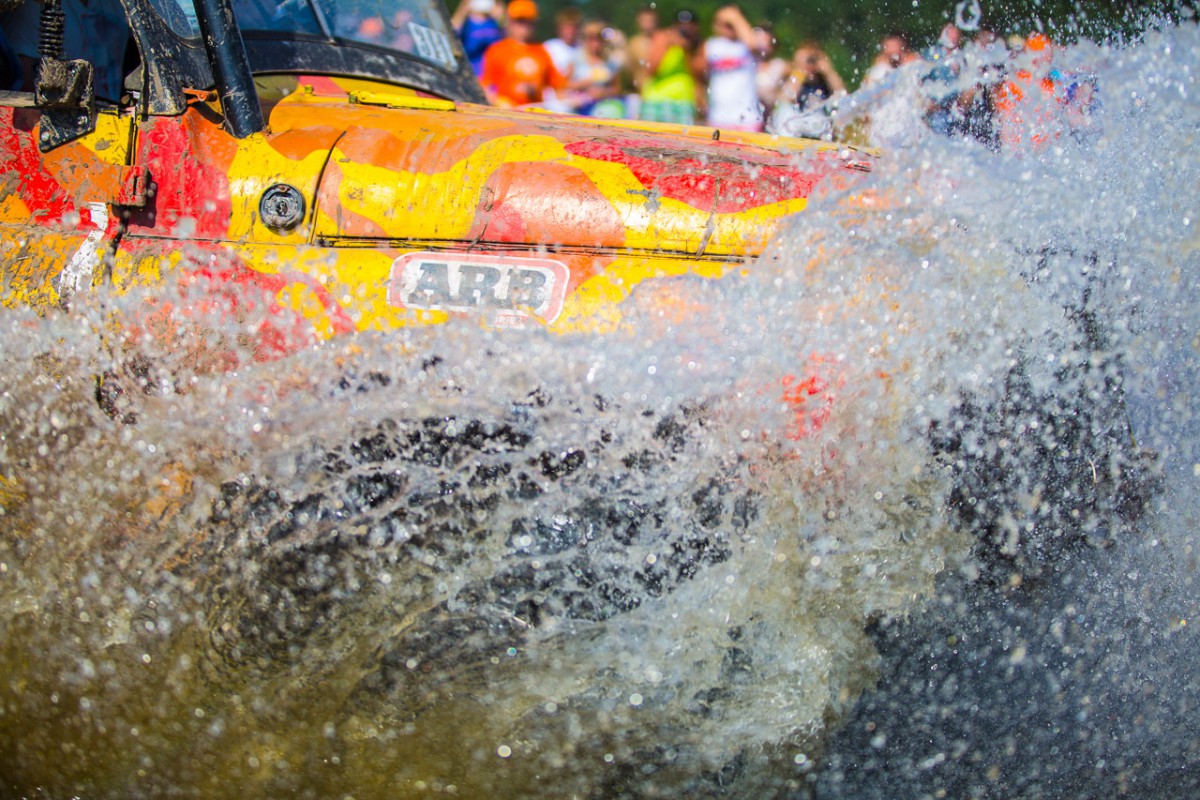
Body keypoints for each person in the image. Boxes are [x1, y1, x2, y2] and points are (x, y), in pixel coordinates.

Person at [479, 0, 566, 107]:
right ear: (510, 22)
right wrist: (499, 101)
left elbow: (559, 87)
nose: (524, 26)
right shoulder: (496, 50)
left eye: (529, 21)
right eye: (520, 21)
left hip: (535, 112)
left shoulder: (541, 51)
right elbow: (484, 87)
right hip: (506, 113)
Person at [695, 4, 760, 130]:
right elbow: (698, 73)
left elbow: (753, 44)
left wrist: (735, 17)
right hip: (718, 117)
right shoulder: (710, 45)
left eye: (731, 24)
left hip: (747, 118)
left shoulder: (745, 45)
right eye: (725, 24)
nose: (729, 27)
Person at [639, 9, 701, 124]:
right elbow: (651, 69)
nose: (685, 28)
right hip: (657, 100)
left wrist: (687, 49)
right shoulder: (663, 37)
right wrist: (667, 44)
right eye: (681, 25)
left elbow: (698, 74)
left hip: (684, 101)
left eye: (689, 25)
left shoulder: (697, 45)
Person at [565, 20, 623, 117]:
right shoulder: (576, 58)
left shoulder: (610, 63)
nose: (595, 43)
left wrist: (604, 92)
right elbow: (564, 85)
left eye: (598, 39)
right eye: (591, 38)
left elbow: (617, 89)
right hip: (578, 111)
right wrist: (584, 84)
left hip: (603, 111)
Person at [921, 22, 965, 135]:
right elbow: (921, 81)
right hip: (935, 108)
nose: (953, 39)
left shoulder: (963, 57)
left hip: (956, 106)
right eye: (949, 34)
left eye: (955, 36)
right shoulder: (931, 55)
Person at [780, 41, 845, 112]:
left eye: (813, 61)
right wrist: (800, 72)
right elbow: (784, 101)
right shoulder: (795, 80)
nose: (810, 65)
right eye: (808, 61)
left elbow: (843, 96)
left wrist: (829, 72)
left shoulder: (825, 83)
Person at [451, 0, 504, 76]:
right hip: (466, 73)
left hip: (488, 76)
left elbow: (507, 36)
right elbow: (450, 33)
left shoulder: (494, 23)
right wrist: (462, 10)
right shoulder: (466, 22)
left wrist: (500, 13)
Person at [753, 23, 789, 113]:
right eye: (759, 42)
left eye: (766, 43)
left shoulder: (781, 66)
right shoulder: (745, 65)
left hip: (769, 113)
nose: (762, 46)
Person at [627, 5, 659, 93]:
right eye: (644, 21)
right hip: (641, 91)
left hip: (660, 90)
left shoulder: (663, 41)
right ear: (638, 22)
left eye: (650, 21)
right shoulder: (633, 44)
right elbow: (631, 71)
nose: (648, 24)